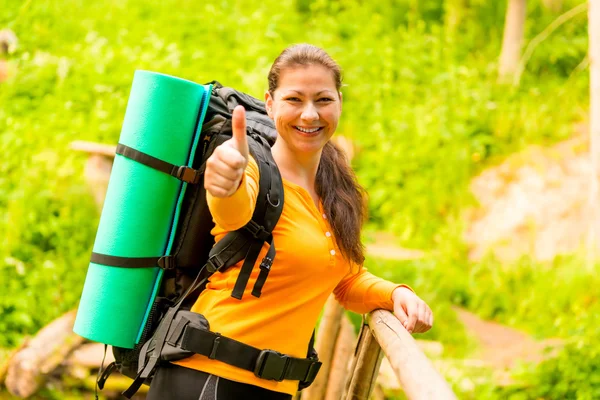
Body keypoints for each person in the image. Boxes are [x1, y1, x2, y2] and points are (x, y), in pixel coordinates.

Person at [147, 43, 433, 400]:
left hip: (275, 386)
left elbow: (344, 280)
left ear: (340, 102)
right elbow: (232, 212)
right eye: (294, 99)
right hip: (208, 377)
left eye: (323, 100)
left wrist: (395, 293)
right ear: (270, 103)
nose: (310, 114)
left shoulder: (340, 193)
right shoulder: (252, 171)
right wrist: (224, 181)